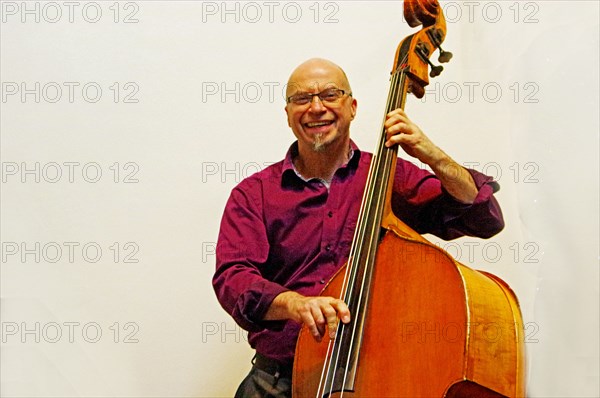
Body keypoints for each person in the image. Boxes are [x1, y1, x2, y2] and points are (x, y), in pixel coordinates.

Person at [212, 58, 504, 398]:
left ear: (352, 107)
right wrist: (295, 304)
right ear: (288, 114)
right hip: (279, 379)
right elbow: (233, 278)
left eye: (330, 95)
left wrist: (432, 155)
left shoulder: (388, 176)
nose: (316, 108)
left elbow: (483, 217)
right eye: (302, 98)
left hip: (378, 376)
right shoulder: (254, 193)